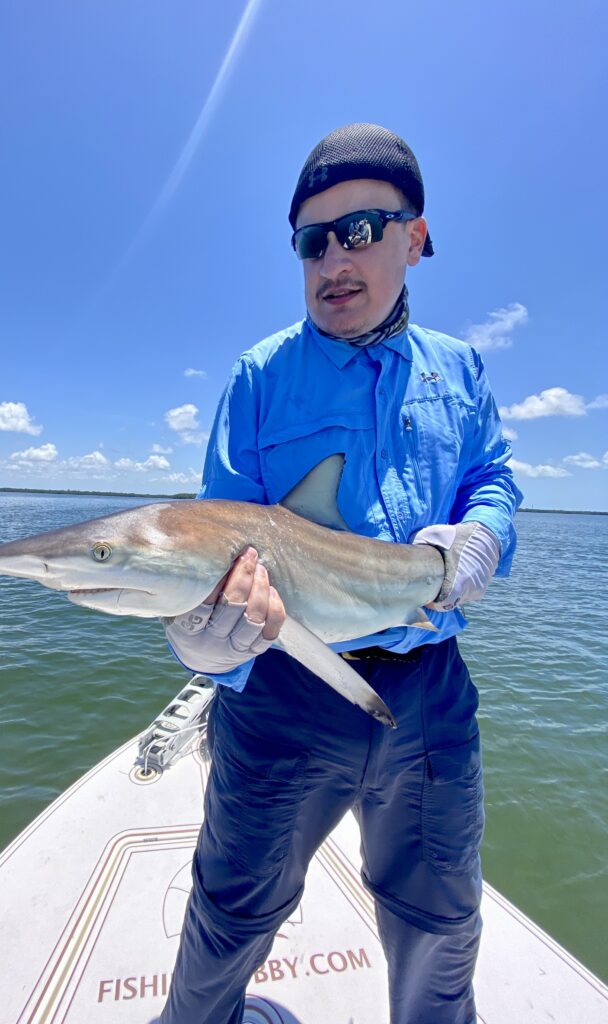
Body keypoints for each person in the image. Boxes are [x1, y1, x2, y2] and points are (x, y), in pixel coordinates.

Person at [159, 123, 522, 1024]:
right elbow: (220, 533)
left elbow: (494, 476)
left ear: (417, 236)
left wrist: (480, 536)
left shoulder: (461, 368)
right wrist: (213, 642)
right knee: (232, 910)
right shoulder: (260, 377)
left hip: (430, 691)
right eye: (311, 242)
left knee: (440, 916)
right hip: (286, 692)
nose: (334, 260)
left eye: (361, 229)